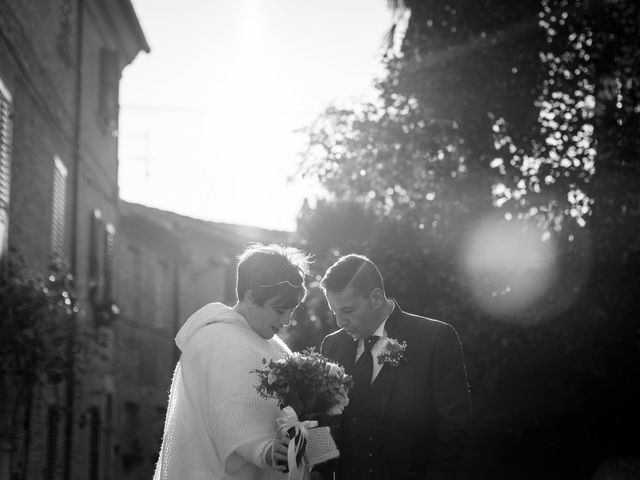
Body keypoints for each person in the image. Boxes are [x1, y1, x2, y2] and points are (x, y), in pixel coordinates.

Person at [153, 243, 311, 480]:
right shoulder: (218, 340)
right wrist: (266, 451)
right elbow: (231, 410)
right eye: (280, 310)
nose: (287, 320)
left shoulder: (271, 344)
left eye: (291, 311)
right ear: (251, 297)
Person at [318, 254, 471, 480]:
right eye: (334, 312)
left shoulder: (435, 338)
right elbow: (321, 416)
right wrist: (317, 469)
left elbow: (454, 427)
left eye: (348, 311)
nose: (340, 322)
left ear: (377, 298)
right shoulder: (332, 345)